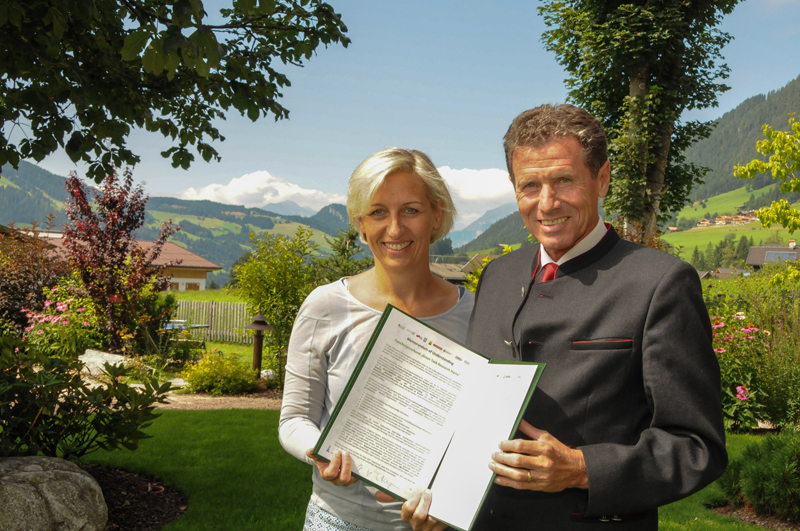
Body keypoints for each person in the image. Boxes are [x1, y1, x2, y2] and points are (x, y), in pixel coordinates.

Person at [402, 104, 727, 530]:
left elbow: (697, 445)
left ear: (602, 179)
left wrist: (581, 467)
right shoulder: (497, 276)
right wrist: (443, 498)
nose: (547, 203)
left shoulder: (660, 283)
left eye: (564, 181)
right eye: (530, 185)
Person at [279, 147, 475, 531]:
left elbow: (479, 433)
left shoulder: (476, 312)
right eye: (378, 212)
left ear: (437, 214)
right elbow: (294, 419)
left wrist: (450, 499)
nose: (395, 229)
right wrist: (319, 453)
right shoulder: (326, 306)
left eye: (411, 210)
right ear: (360, 222)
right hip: (337, 521)